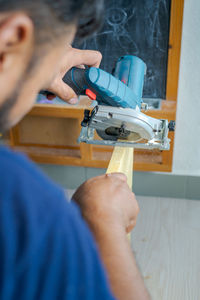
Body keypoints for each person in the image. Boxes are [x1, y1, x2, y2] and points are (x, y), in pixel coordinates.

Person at [0, 1, 150, 299]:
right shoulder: (24, 204)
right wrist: (103, 221)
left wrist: (36, 59)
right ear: (12, 38)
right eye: (59, 47)